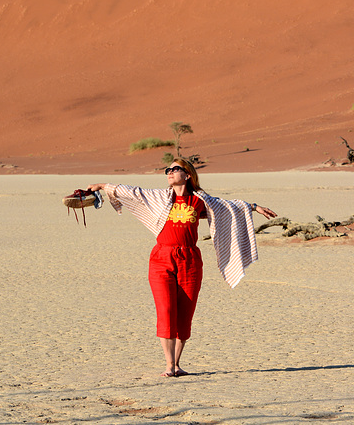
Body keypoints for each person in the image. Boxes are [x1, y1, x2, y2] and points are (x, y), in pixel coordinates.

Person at [87, 158, 277, 377]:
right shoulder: (159, 198)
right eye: (167, 169)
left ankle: (177, 364)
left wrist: (254, 207)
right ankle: (168, 365)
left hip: (189, 259)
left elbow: (227, 206)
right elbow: (133, 192)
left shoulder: (199, 201)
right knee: (166, 310)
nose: (169, 172)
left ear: (187, 175)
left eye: (175, 169)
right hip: (162, 258)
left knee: (185, 313)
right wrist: (102, 186)